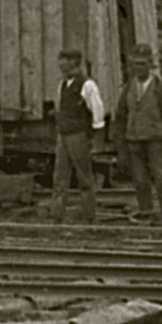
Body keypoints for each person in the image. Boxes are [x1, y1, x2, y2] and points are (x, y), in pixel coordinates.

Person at [114, 44, 162, 226]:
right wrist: (121, 146)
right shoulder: (128, 88)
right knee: (140, 181)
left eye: (143, 63)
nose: (139, 67)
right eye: (135, 64)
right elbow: (120, 117)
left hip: (156, 141)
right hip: (134, 142)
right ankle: (146, 213)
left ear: (150, 64)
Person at [50, 48, 107, 224]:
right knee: (60, 177)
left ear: (75, 62)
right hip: (63, 135)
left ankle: (89, 216)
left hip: (78, 135)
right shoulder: (62, 84)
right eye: (60, 60)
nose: (61, 64)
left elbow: (97, 111)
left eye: (65, 60)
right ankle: (57, 216)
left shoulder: (87, 85)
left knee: (84, 177)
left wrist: (96, 136)